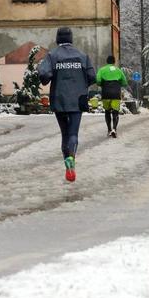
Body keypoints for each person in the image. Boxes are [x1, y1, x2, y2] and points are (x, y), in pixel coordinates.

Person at [39, 27, 95, 182]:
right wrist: (81, 84)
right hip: (78, 99)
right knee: (73, 133)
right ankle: (72, 158)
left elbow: (44, 75)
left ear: (58, 39)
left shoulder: (52, 55)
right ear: (71, 39)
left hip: (59, 99)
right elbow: (92, 76)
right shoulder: (82, 56)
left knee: (64, 133)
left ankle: (67, 164)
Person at [96, 55, 127, 138]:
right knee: (115, 112)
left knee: (107, 111)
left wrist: (102, 84)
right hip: (116, 93)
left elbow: (98, 81)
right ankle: (114, 129)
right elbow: (125, 82)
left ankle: (109, 130)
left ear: (107, 61)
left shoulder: (102, 70)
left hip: (106, 93)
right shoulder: (118, 70)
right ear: (114, 62)